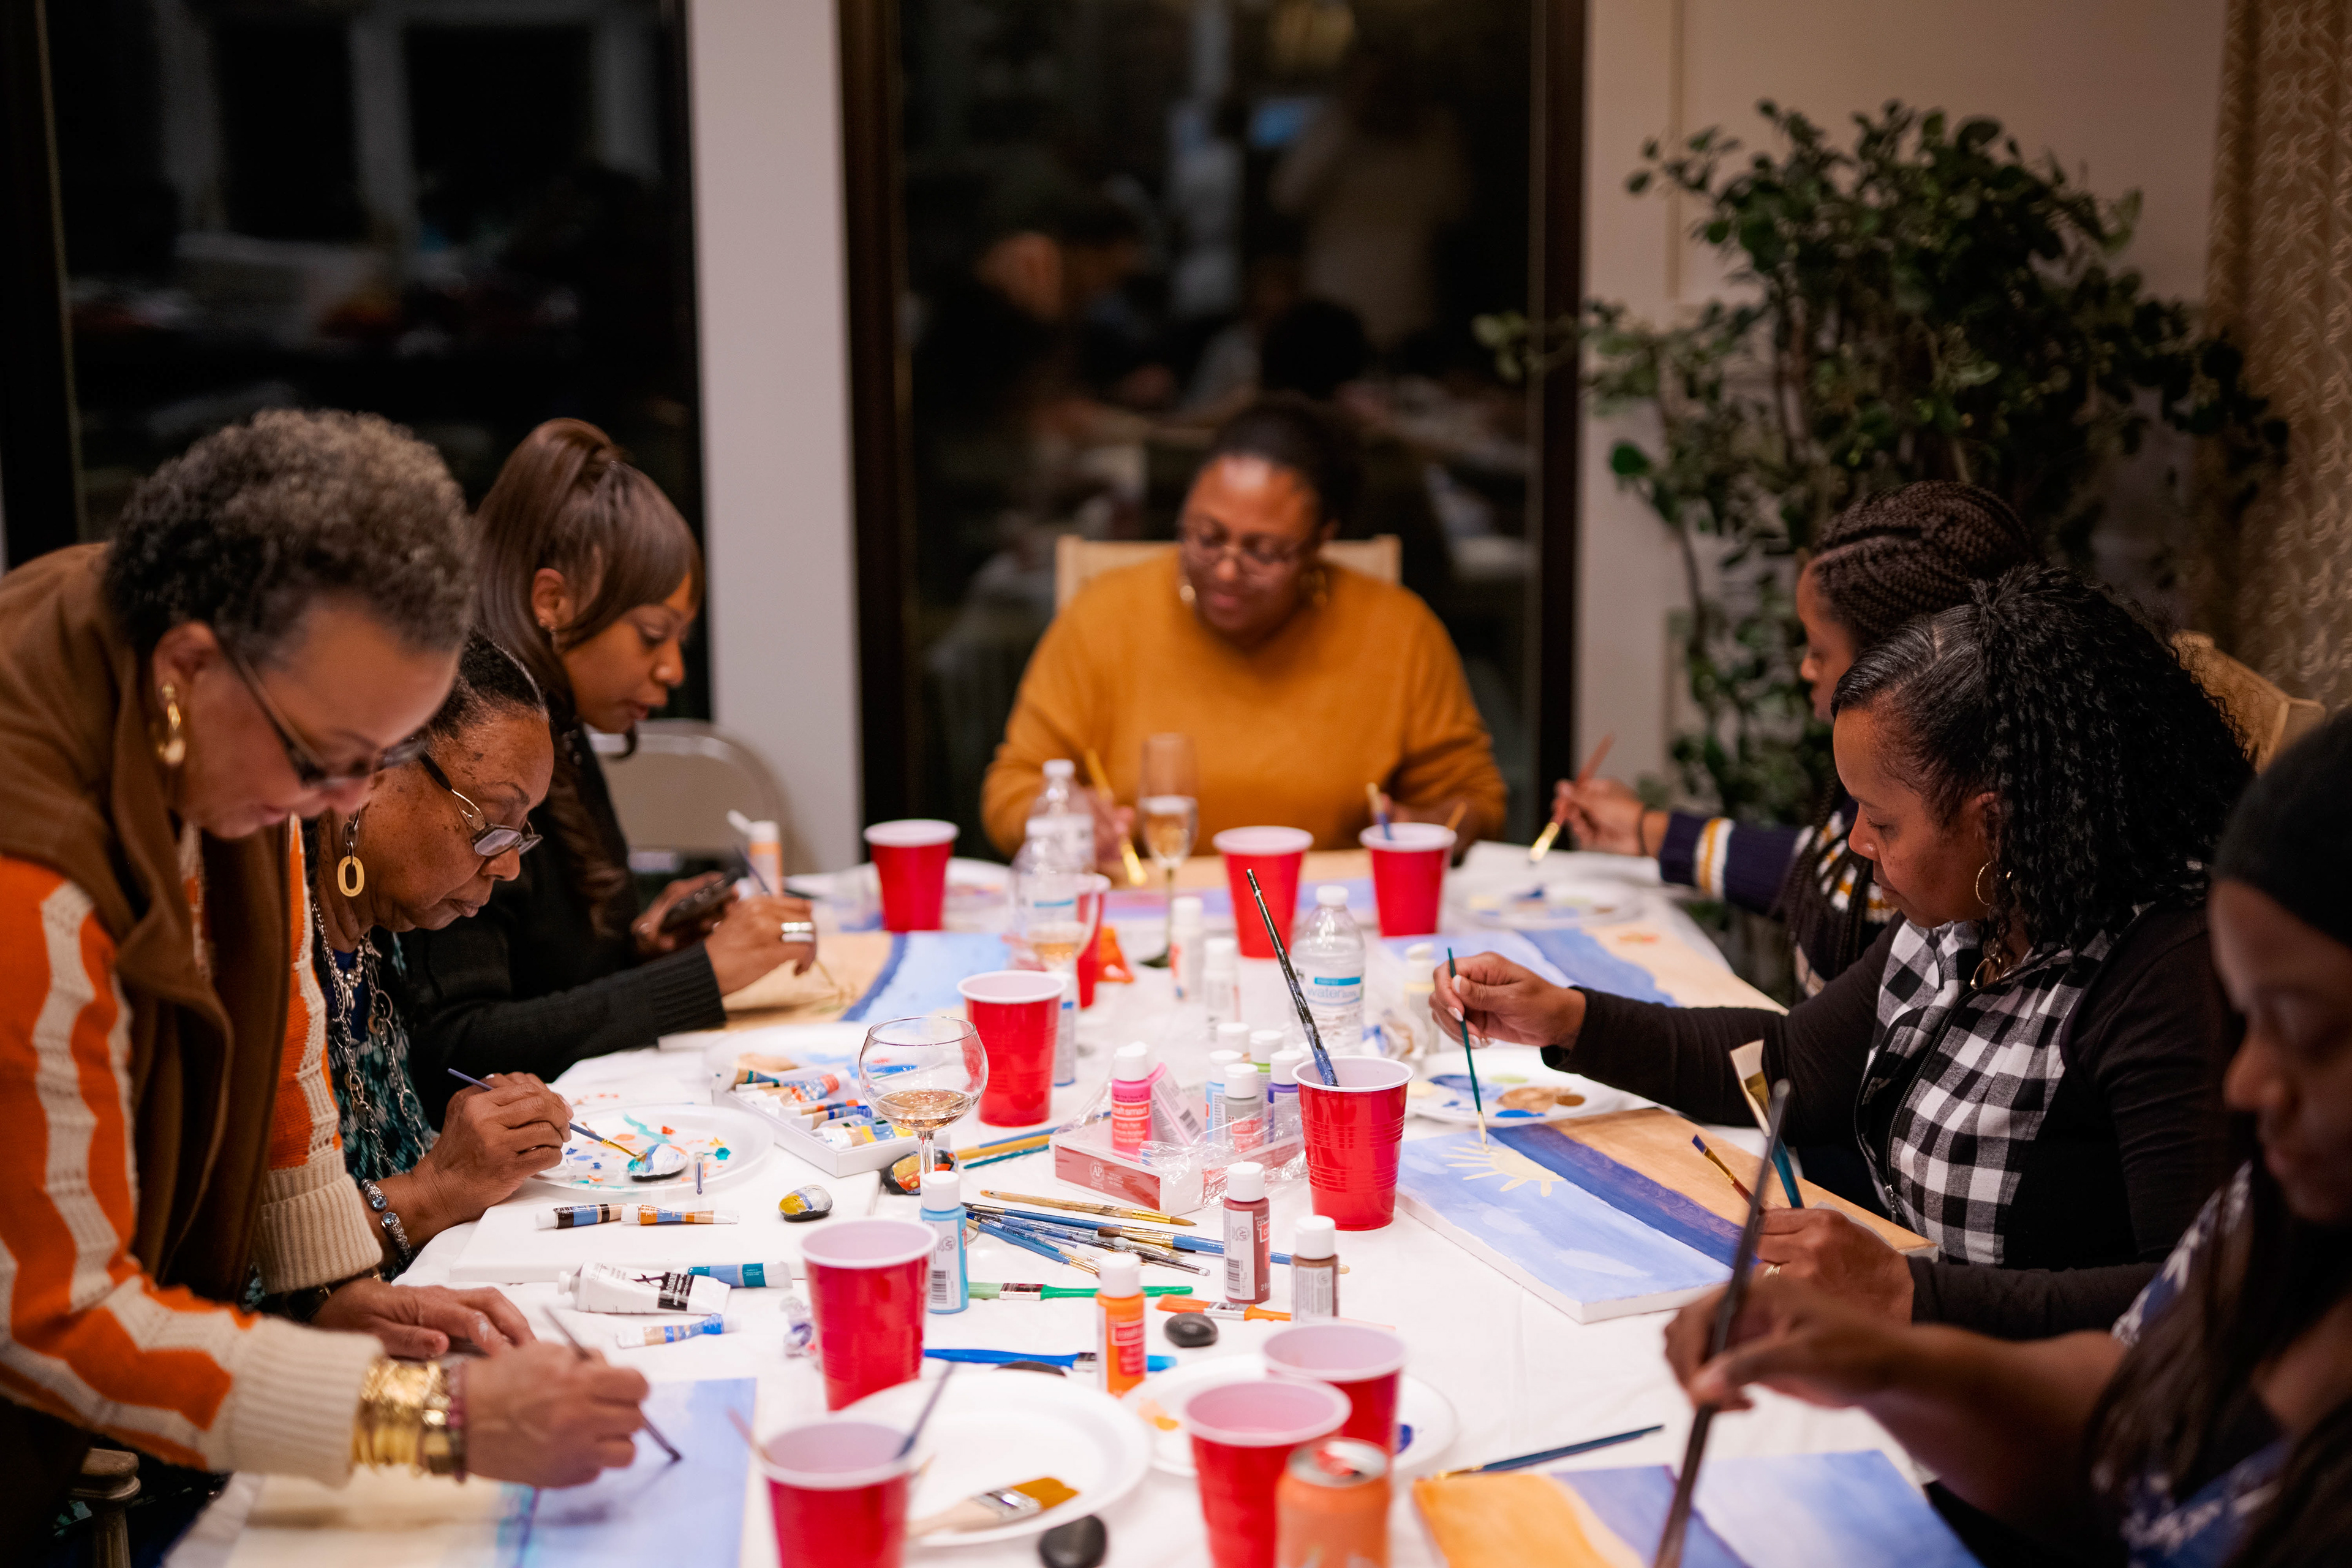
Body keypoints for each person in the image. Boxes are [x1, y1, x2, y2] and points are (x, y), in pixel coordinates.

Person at [0, 412, 646, 1553]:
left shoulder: (222, 695)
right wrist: (430, 1420)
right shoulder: (31, 881)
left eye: (377, 760)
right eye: (331, 759)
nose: (347, 803)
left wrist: (331, 1287)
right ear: (187, 670)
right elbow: (62, 1322)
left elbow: (281, 1028)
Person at [1434, 567, 2249, 1338]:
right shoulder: (1981, 911)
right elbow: (1788, 1061)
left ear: (1994, 823)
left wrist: (1908, 1293)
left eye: (1882, 821)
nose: (1856, 843)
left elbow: (2195, 1302)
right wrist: (1569, 1018)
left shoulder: (2165, 981)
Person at [1662, 710, 2352, 1567]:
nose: (2245, 1082)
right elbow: (2126, 1413)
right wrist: (1884, 1366)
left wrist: (1911, 1310)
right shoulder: (2272, 1217)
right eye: (2247, 1021)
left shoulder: (2137, 974)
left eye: (2303, 1028)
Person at [401, 420, 815, 1122]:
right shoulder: (476, 753)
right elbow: (456, 1047)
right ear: (552, 602)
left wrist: (644, 949)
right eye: (653, 636)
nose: (673, 669)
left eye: (680, 641)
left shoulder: (564, 730)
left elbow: (552, 980)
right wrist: (699, 976)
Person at [981, 396, 1508, 861]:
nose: (1228, 571)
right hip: (1149, 913)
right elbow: (1010, 789)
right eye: (1207, 537)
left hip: (1329, 921)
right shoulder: (1105, 615)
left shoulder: (1395, 630)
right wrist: (1055, 818)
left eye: (1264, 551)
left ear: (1319, 541)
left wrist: (1429, 826)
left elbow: (1477, 800)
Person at [1562, 481, 2038, 995]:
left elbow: (1829, 901)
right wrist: (1647, 830)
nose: (1806, 668)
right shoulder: (1893, 830)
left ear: (1897, 663)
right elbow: (1821, 873)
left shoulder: (1935, 896)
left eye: (1817, 649)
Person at [307, 632, 573, 1275]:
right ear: (372, 771)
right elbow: (248, 1271)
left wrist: (493, 1140)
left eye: (520, 832)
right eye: (491, 824)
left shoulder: (381, 936)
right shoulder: (260, 959)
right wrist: (437, 1189)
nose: (508, 865)